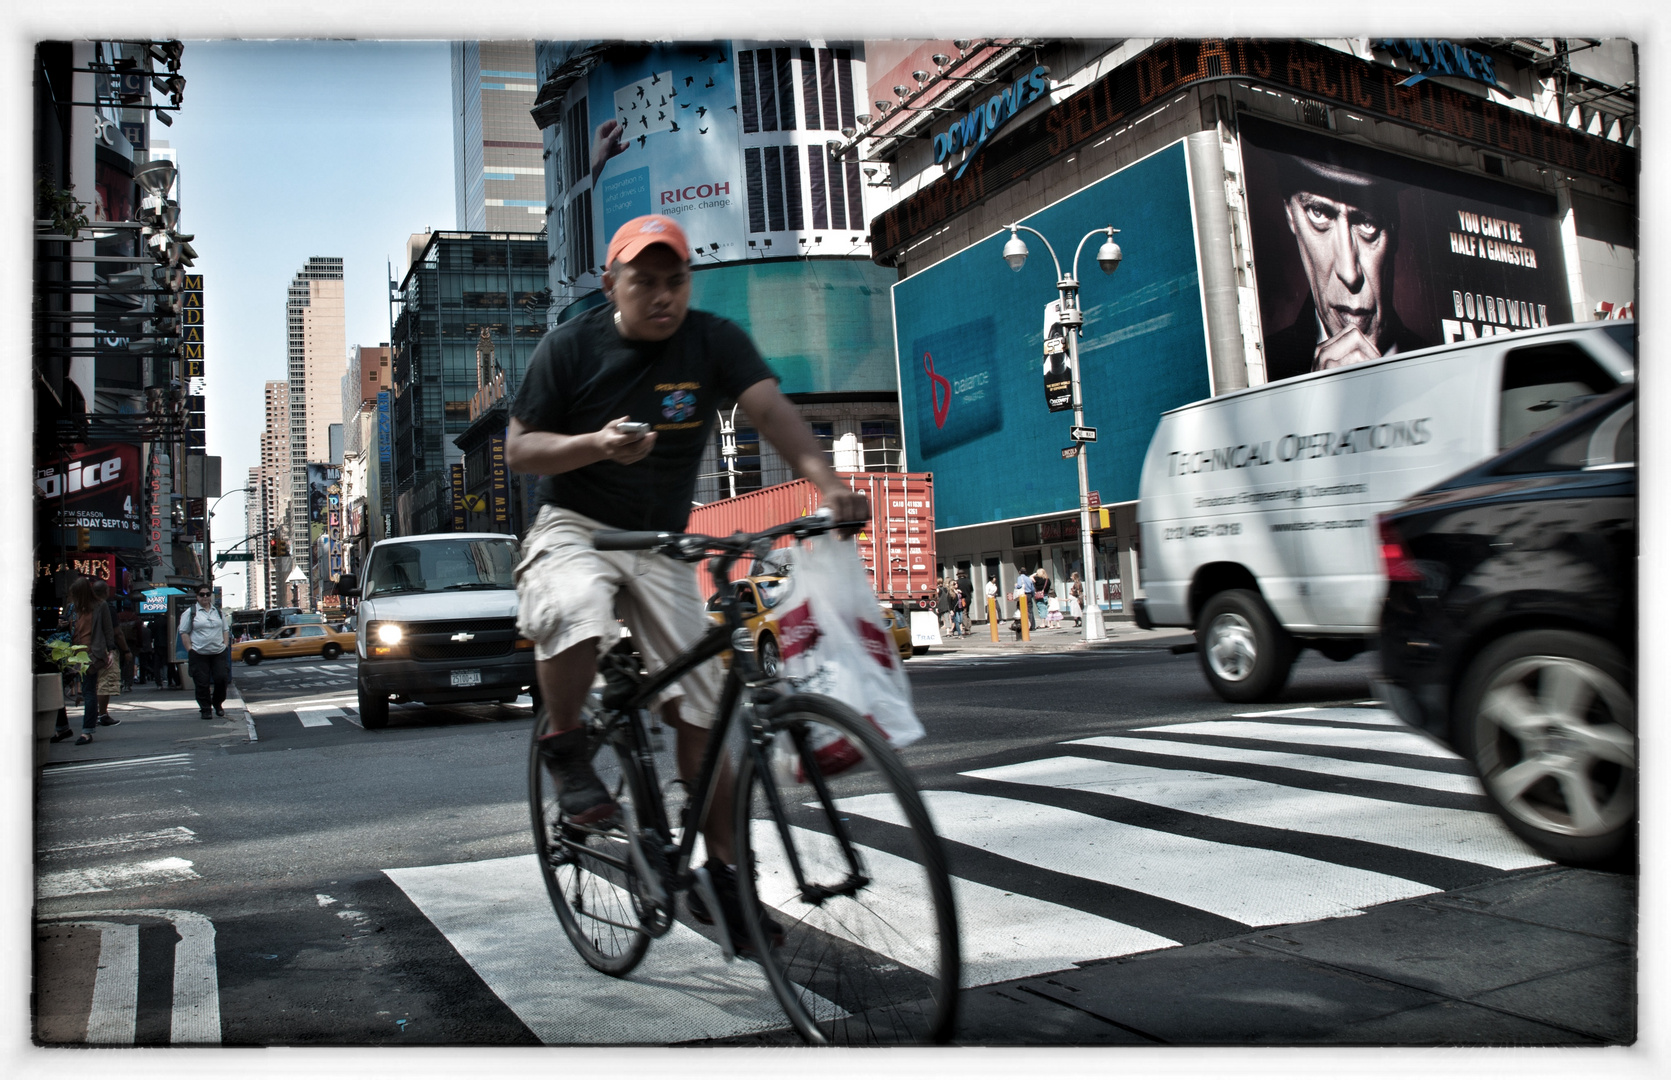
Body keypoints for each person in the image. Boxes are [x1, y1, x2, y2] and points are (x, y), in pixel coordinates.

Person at [504, 212, 869, 955]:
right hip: (578, 526)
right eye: (645, 281)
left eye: (675, 280)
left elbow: (769, 409)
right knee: (573, 604)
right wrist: (594, 445)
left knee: (706, 715)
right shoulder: (569, 347)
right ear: (612, 283)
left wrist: (827, 486)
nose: (663, 295)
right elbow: (519, 449)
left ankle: (731, 879)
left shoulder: (713, 339)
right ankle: (568, 748)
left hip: (666, 539)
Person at [1262, 154, 1424, 383]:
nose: (1349, 274)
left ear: (1394, 226)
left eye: (1368, 222)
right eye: (1319, 214)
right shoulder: (1261, 369)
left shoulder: (1452, 374)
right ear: (1290, 214)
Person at [52, 576, 117, 746]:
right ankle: (63, 727)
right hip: (71, 654)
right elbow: (65, 627)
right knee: (58, 691)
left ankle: (87, 731)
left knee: (88, 691)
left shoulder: (100, 606)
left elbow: (108, 629)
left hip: (91, 654)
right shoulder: (72, 608)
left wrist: (111, 650)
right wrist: (62, 624)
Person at [179, 586, 231, 719]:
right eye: (202, 594)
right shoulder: (190, 612)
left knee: (221, 679)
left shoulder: (218, 612)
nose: (205, 597)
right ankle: (205, 709)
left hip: (218, 652)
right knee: (202, 682)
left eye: (208, 594)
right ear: (197, 596)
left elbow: (225, 630)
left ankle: (217, 703)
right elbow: (184, 632)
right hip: (199, 653)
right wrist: (190, 649)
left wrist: (225, 645)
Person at [93, 581, 126, 726]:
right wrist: (120, 650)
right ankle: (102, 714)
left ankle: (93, 714)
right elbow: (114, 631)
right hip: (103, 650)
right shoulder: (106, 607)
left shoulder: (85, 607)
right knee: (104, 683)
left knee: (92, 684)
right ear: (106, 591)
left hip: (86, 650)